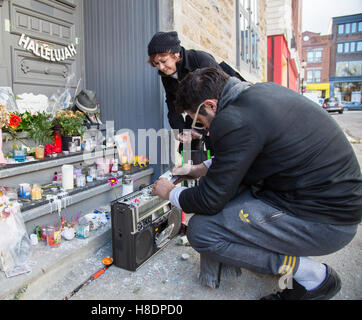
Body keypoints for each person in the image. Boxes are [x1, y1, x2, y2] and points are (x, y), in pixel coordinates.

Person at [152, 67, 362, 300]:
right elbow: (246, 150)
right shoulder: (257, 94)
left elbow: (209, 201)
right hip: (332, 206)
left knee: (203, 231)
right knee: (234, 203)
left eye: (200, 121)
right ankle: (288, 255)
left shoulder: (232, 119)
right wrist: (197, 169)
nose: (205, 130)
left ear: (211, 105)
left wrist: (170, 192)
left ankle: (313, 277)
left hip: (325, 223)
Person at [147, 31, 244, 149]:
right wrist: (181, 130)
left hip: (216, 113)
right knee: (186, 149)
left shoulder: (200, 60)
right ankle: (188, 166)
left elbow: (222, 95)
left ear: (176, 54)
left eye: (163, 61)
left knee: (217, 150)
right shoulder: (166, 76)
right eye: (156, 63)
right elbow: (172, 104)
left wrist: (204, 129)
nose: (161, 67)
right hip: (193, 116)